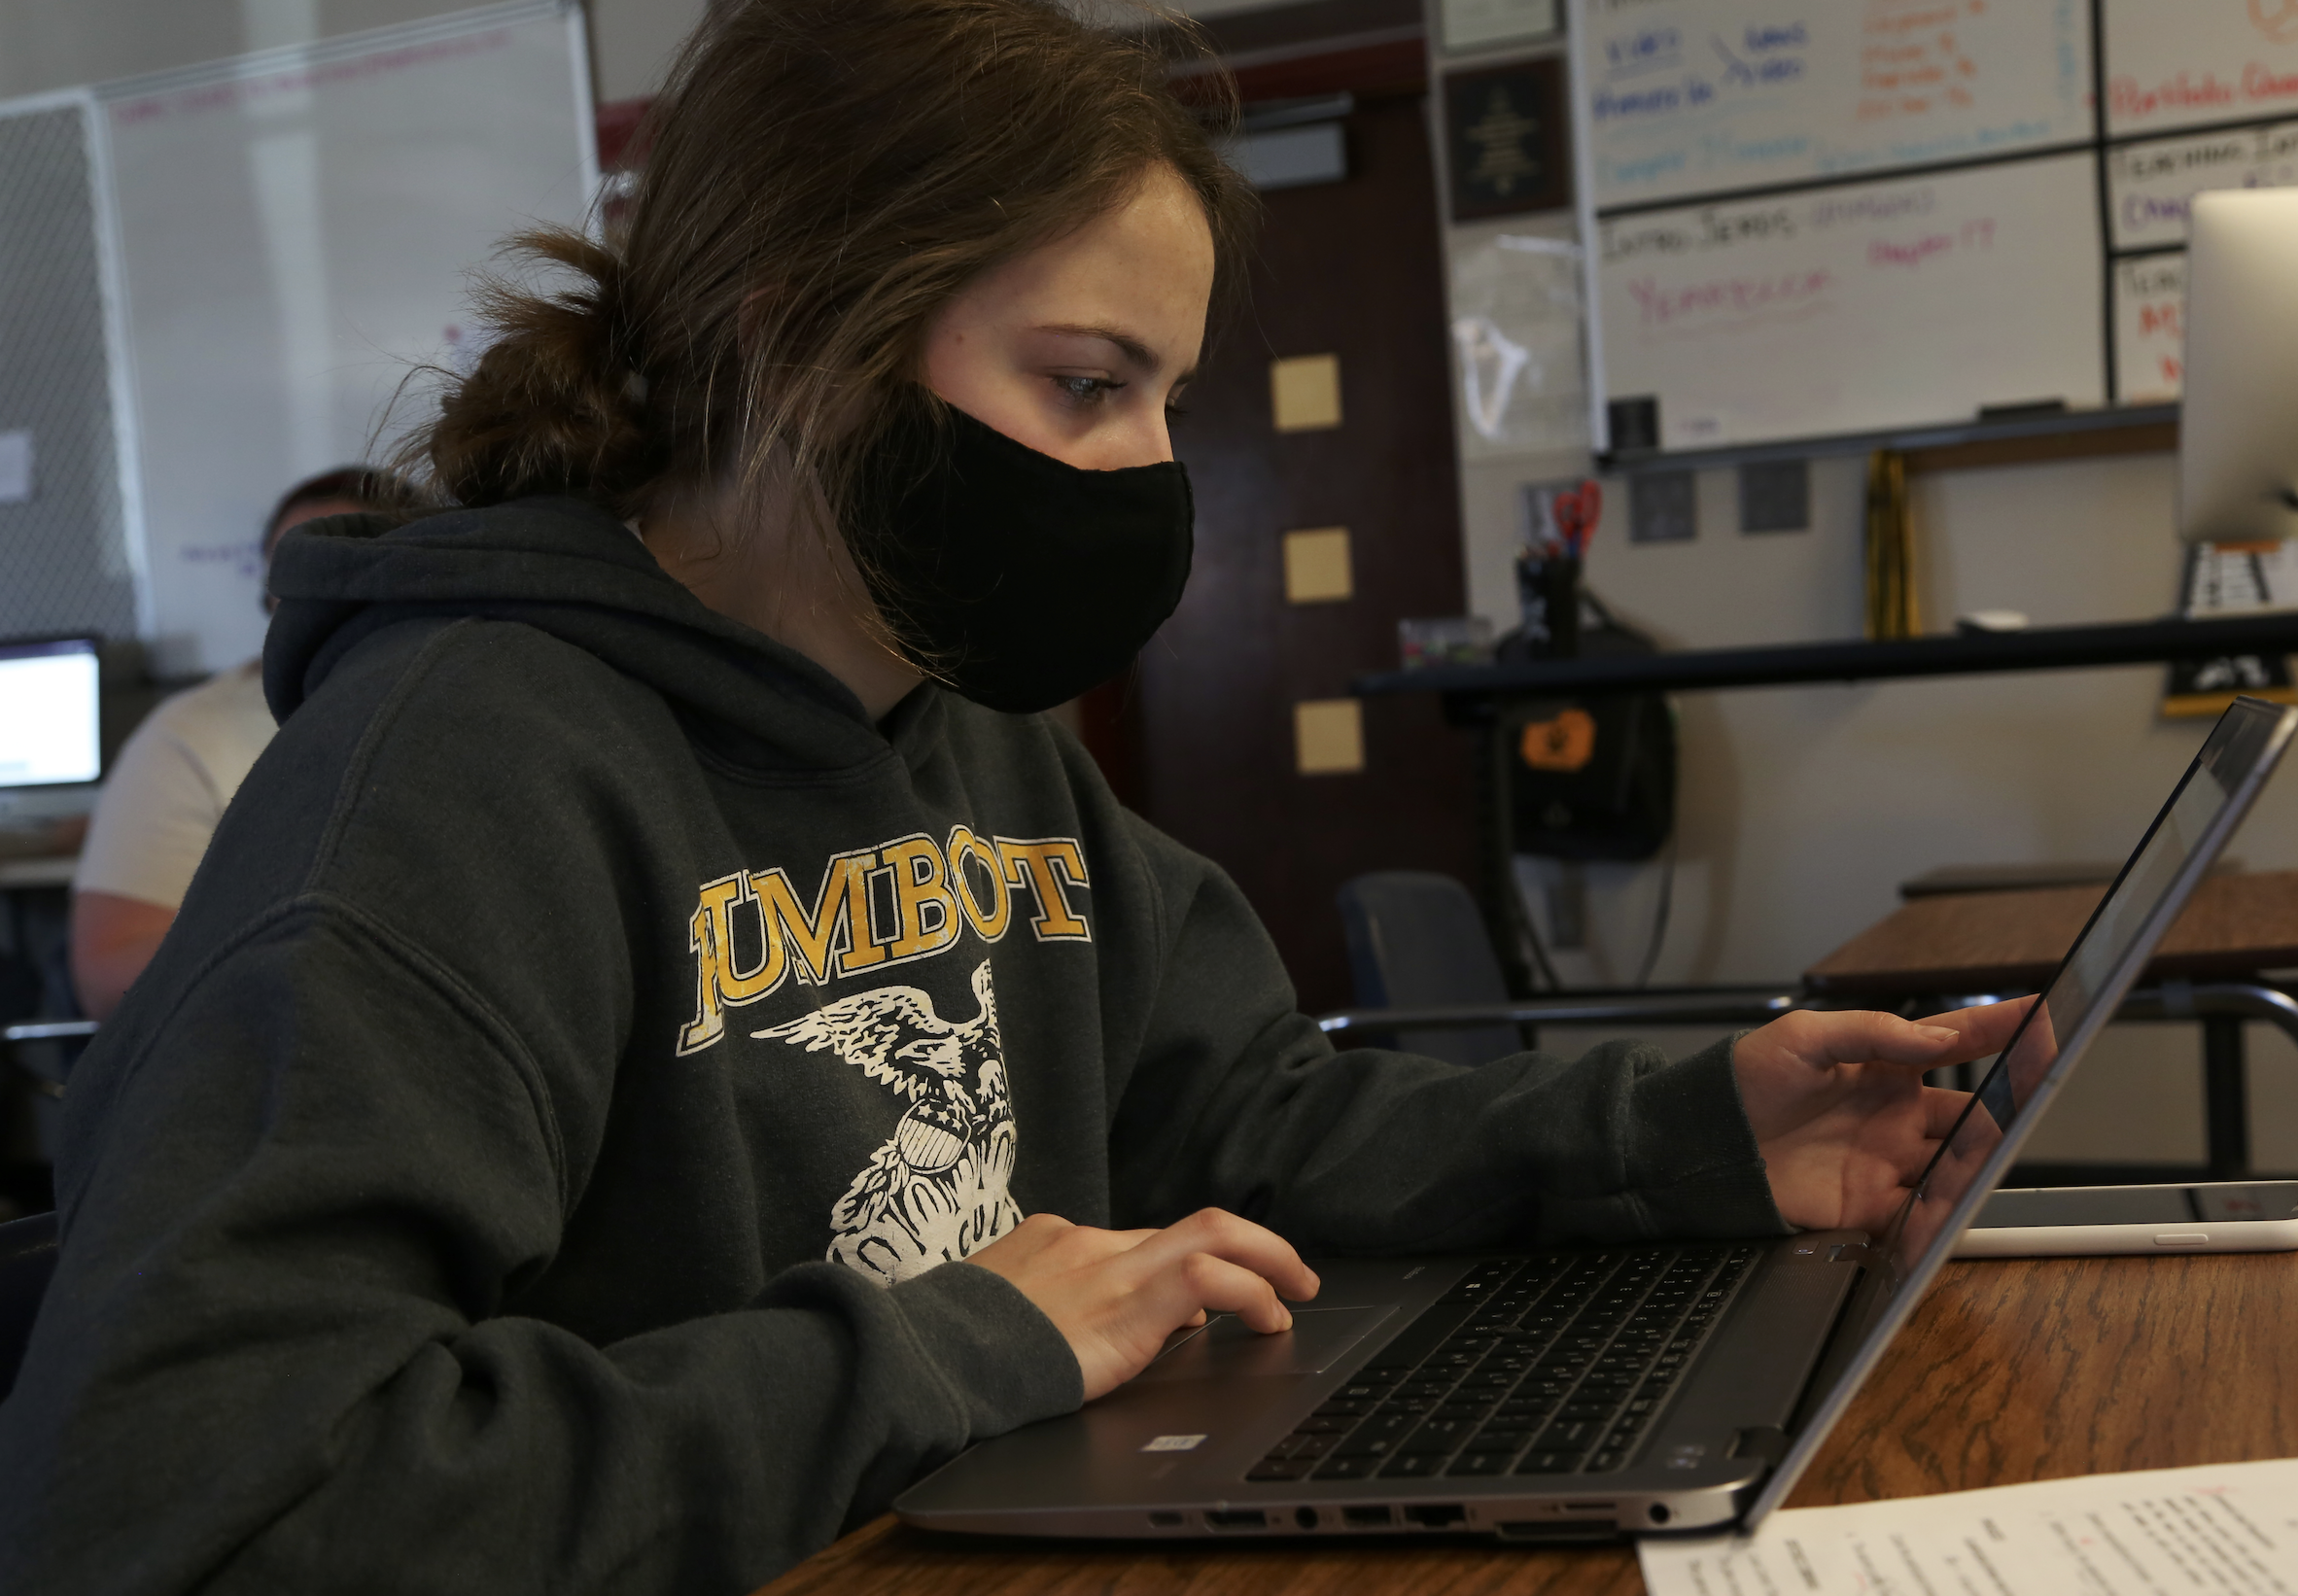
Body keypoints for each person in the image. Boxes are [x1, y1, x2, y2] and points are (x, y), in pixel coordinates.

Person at [0, 4, 2024, 1591]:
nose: (1148, 472)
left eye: (1165, 395)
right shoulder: (449, 787)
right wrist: (957, 1343)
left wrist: (1682, 1127)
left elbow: (1237, 1114)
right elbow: (192, 1512)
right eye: (1084, 383)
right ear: (802, 345)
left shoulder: (956, 720)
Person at [68, 468, 411, 1020]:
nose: (323, 593)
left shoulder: (467, 708)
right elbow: (107, 978)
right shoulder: (191, 735)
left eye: (351, 560)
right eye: (297, 569)